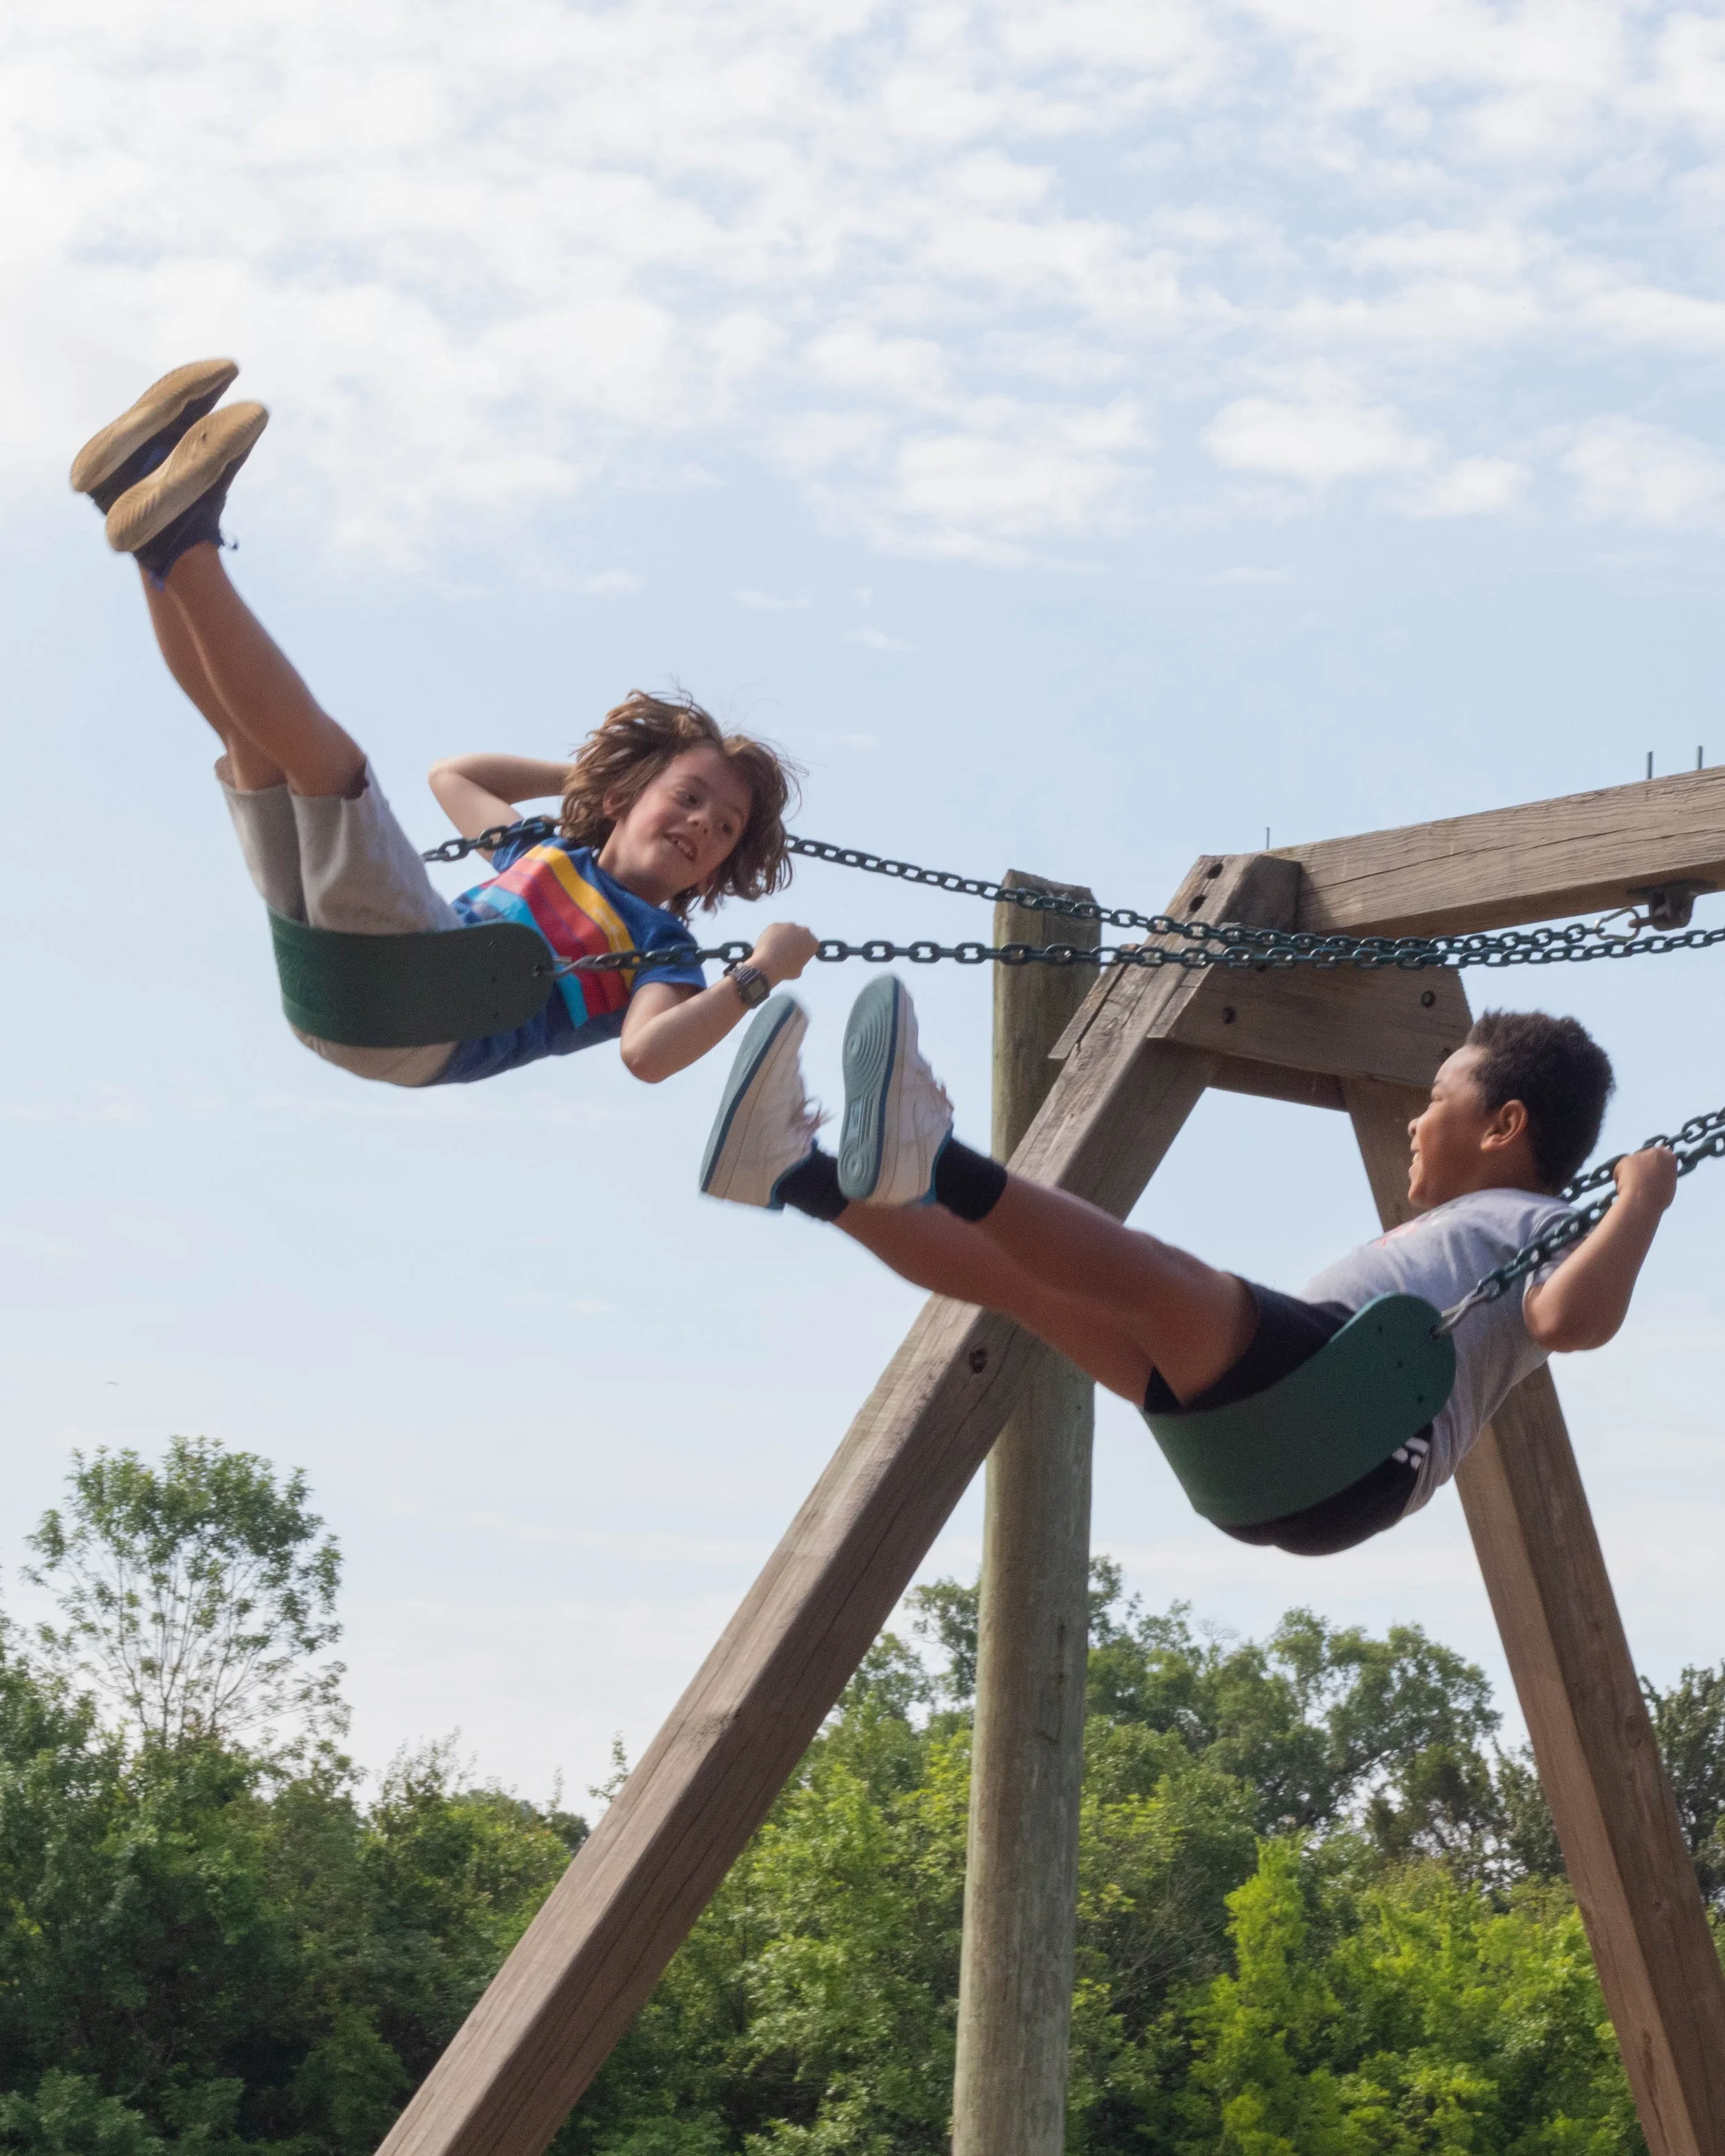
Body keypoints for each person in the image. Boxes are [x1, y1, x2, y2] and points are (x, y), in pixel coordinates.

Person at [698, 978, 1677, 1555]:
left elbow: (1566, 1323)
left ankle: (935, 1155)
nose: (1414, 1119)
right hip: (1282, 1463)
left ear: (1508, 1126)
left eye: (1437, 1098)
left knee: (1160, 1275)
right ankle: (793, 1173)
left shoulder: (1542, 1219)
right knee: (1026, 1287)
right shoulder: (1488, 1223)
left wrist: (1642, 1197)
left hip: (1356, 1429)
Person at [70, 359, 818, 1088]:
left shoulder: (661, 946)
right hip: (341, 984)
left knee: (333, 771)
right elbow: (454, 776)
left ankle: (180, 538)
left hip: (424, 1013)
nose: (700, 825)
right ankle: (139, 509)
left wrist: (758, 974)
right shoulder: (543, 850)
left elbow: (647, 1055)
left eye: (723, 828)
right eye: (688, 796)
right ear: (629, 796)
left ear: (718, 867)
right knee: (251, 749)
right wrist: (602, 776)